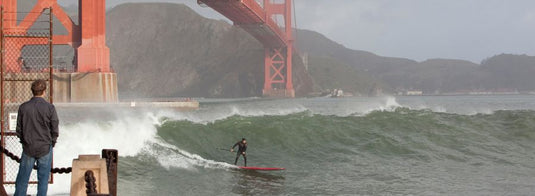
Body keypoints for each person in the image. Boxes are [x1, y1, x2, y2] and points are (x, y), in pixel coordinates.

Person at [14, 79, 59, 196]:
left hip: (28, 147)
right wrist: (52, 143)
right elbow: (54, 128)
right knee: (43, 181)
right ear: (44, 91)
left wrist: (24, 142)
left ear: (32, 91)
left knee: (22, 179)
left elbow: (19, 129)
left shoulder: (23, 107)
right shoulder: (50, 108)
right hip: (45, 147)